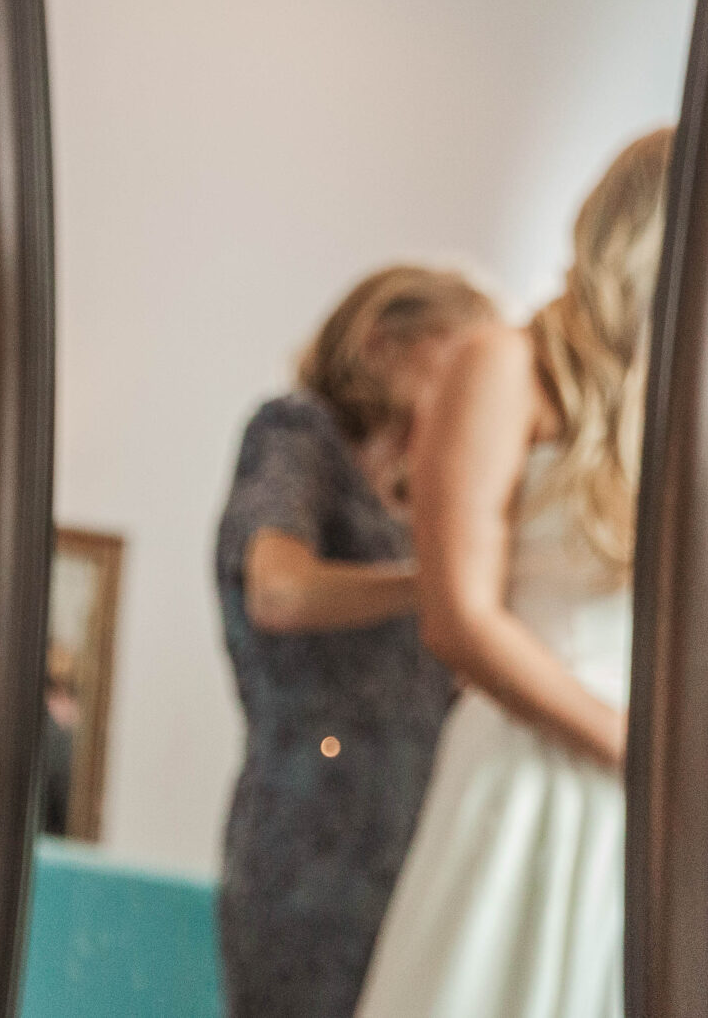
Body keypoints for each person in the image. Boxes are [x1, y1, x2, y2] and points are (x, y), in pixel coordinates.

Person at [354, 128, 672, 1018]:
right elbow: (457, 614)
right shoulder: (505, 363)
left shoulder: (691, 399)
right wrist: (633, 748)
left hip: (646, 800)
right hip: (533, 772)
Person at [214, 265, 494, 1018]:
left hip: (411, 840)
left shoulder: (414, 497)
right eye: (456, 359)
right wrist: (435, 584)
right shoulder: (296, 433)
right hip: (310, 843)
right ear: (381, 345)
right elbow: (279, 589)